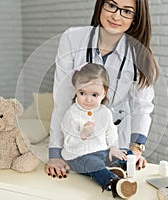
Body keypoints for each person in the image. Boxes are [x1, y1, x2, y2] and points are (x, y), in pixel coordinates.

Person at [45, 0, 159, 178]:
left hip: (116, 138)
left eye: (127, 11)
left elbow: (143, 107)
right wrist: (55, 154)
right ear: (100, 5)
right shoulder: (72, 38)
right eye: (111, 6)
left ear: (135, 19)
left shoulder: (139, 53)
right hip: (78, 139)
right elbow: (62, 99)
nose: (116, 16)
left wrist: (136, 148)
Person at [61, 63, 137, 198]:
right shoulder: (72, 114)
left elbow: (111, 132)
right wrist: (82, 135)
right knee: (94, 164)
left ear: (104, 93)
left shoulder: (104, 112)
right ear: (76, 90)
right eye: (82, 93)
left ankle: (116, 169)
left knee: (126, 153)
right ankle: (115, 184)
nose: (88, 99)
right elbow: (69, 142)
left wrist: (114, 147)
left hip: (101, 151)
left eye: (95, 95)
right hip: (79, 155)